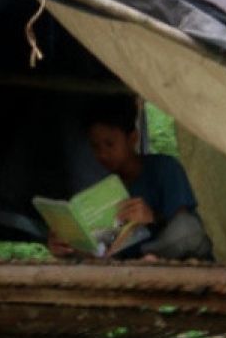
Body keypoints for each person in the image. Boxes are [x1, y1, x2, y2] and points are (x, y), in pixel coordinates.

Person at [48, 96, 213, 261]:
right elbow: (103, 248)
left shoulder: (165, 167)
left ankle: (149, 257)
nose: (103, 154)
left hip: (175, 255)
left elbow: (183, 226)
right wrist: (68, 246)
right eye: (95, 146)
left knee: (186, 228)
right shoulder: (105, 190)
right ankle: (145, 260)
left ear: (132, 138)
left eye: (110, 144)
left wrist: (152, 218)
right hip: (132, 263)